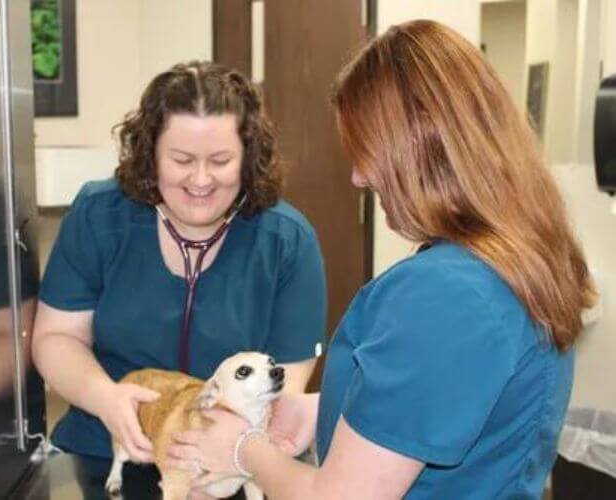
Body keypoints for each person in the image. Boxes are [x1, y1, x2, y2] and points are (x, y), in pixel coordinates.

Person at [165, 20, 598, 499]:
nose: (358, 177)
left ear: (416, 151)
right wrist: (330, 411)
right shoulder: (518, 261)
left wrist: (245, 447)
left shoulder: (443, 295)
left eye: (365, 152)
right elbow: (452, 405)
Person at [31, 61, 326, 496]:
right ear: (150, 154)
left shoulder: (286, 241)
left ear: (248, 158)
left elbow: (280, 383)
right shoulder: (100, 216)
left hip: (231, 465)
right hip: (105, 451)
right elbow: (56, 337)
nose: (201, 179)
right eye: (182, 160)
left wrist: (223, 448)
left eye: (221, 160)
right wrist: (107, 400)